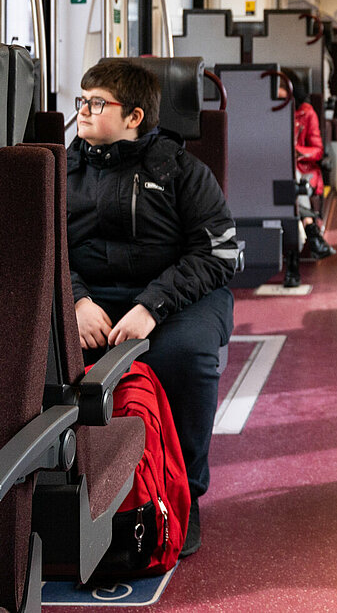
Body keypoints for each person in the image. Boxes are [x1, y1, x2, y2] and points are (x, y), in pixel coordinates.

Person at [67, 58, 237, 558]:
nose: (83, 110)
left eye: (97, 103)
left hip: (180, 296)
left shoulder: (182, 170)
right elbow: (42, 247)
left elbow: (219, 252)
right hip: (90, 297)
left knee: (182, 357)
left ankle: (185, 490)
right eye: (81, 99)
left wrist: (152, 306)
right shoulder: (60, 168)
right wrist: (75, 299)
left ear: (134, 116)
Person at [280, 68, 335, 262]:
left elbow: (318, 150)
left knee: (292, 178)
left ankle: (308, 235)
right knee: (287, 178)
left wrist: (298, 152)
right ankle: (312, 230)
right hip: (277, 170)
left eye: (280, 88)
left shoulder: (306, 113)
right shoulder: (265, 112)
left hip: (304, 170)